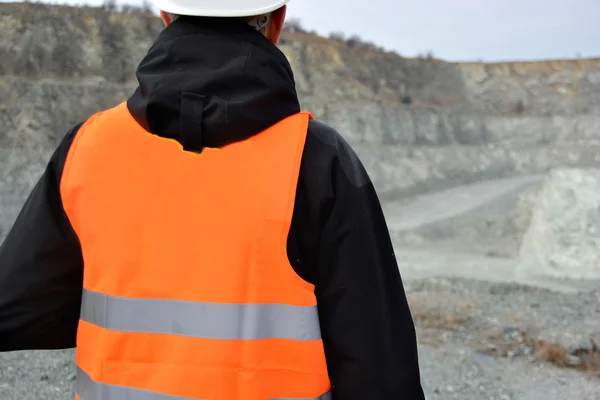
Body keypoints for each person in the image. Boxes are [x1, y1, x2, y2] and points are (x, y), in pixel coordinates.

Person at [0, 1, 425, 399]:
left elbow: (18, 309)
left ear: (165, 14)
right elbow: (379, 369)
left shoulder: (86, 150)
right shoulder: (318, 162)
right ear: (276, 21)